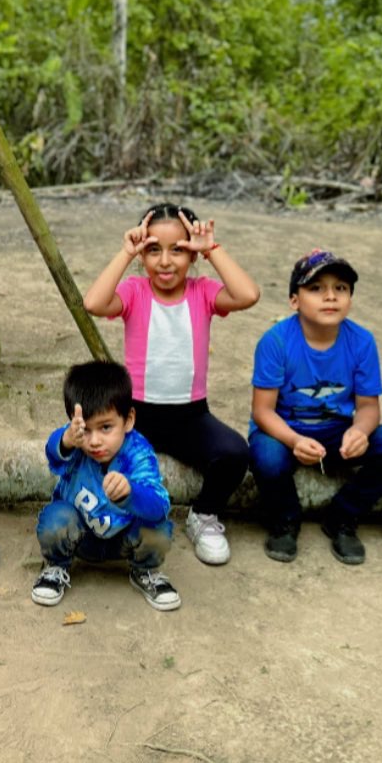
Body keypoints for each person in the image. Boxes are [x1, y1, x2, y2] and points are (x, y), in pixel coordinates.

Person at [83, 203, 260, 566]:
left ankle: (204, 515)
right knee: (97, 460)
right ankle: (115, 517)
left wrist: (212, 248)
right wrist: (125, 252)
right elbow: (94, 303)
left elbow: (248, 295)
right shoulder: (135, 291)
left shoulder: (203, 292)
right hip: (136, 416)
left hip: (189, 416)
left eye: (177, 249)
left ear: (192, 255)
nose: (165, 261)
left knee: (235, 453)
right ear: (141, 255)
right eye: (153, 250)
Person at [249, 249, 382, 565]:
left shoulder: (361, 341)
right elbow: (262, 411)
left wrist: (360, 431)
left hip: (337, 430)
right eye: (316, 288)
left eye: (341, 288)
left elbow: (368, 407)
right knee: (265, 455)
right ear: (294, 300)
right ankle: (285, 519)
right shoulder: (276, 341)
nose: (330, 296)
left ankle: (342, 515)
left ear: (350, 298)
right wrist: (294, 440)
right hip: (284, 431)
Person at [31, 361, 180, 611]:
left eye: (106, 427)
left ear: (128, 419)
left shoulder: (138, 452)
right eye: (86, 430)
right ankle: (56, 565)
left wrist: (131, 493)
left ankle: (144, 570)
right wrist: (66, 439)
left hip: (124, 539)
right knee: (54, 518)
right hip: (81, 536)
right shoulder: (74, 439)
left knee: (159, 530)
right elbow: (52, 453)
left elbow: (159, 506)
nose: (94, 441)